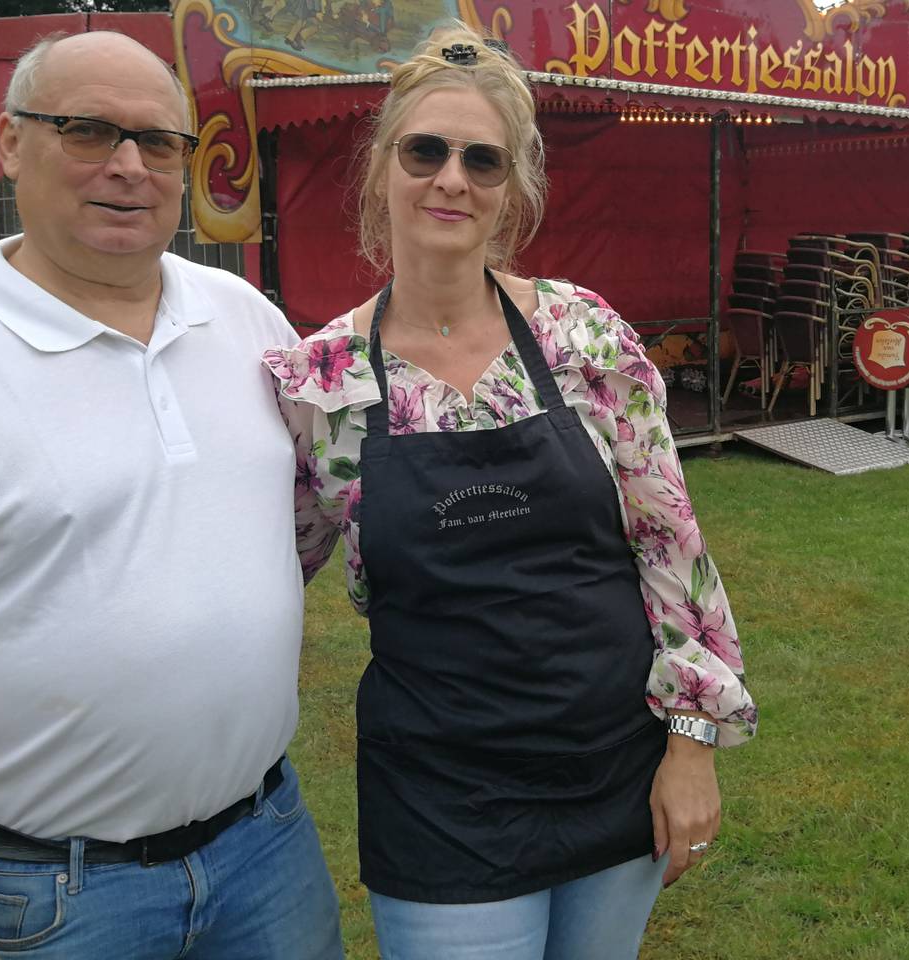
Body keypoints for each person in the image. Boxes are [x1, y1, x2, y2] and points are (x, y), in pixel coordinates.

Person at [0, 31, 342, 960]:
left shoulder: (247, 320)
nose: (128, 166)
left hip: (265, 848)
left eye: (157, 142)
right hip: (51, 895)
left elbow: (286, 528)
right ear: (11, 143)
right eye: (88, 131)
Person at [264, 24, 757, 960]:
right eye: (426, 151)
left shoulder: (582, 335)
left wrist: (692, 741)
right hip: (440, 795)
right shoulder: (324, 381)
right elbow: (268, 575)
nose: (452, 178)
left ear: (510, 192)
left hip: (614, 770)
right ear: (380, 170)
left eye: (482, 161)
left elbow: (670, 546)